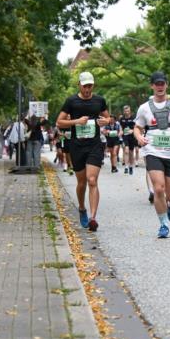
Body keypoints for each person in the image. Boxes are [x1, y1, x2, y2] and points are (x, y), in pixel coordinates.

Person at [134, 71, 170, 238]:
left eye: (162, 84)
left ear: (166, 85)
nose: (160, 87)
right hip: (153, 151)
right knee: (158, 189)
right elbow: (137, 127)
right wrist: (139, 137)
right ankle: (163, 224)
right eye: (157, 84)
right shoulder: (144, 108)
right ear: (152, 86)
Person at [56, 71, 109, 231]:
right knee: (82, 183)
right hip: (77, 146)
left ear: (93, 85)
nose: (87, 89)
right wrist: (76, 121)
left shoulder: (99, 100)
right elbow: (59, 122)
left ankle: (93, 218)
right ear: (79, 85)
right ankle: (81, 208)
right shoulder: (71, 101)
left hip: (94, 145)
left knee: (92, 180)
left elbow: (108, 118)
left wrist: (105, 121)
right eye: (85, 86)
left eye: (90, 86)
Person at [118, 105, 138, 174]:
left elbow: (136, 127)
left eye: (128, 111)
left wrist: (132, 130)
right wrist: (121, 131)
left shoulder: (133, 118)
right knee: (126, 151)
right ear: (124, 111)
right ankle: (126, 167)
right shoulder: (122, 119)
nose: (127, 112)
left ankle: (131, 166)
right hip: (125, 136)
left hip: (132, 137)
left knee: (131, 152)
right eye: (125, 111)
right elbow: (121, 127)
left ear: (130, 111)